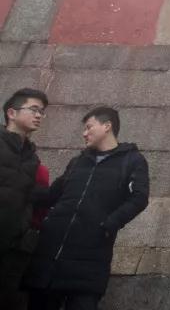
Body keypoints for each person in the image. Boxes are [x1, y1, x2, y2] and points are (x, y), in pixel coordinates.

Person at [26, 106, 149, 310]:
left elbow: (139, 198)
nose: (84, 133)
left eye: (89, 127)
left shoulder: (132, 160)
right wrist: (17, 186)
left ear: (107, 126)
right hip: (50, 256)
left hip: (90, 257)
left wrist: (109, 224)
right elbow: (52, 195)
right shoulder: (78, 162)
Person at [1, 89, 48, 308]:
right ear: (12, 113)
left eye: (41, 112)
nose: (39, 115)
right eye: (34, 109)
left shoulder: (32, 159)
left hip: (14, 251)